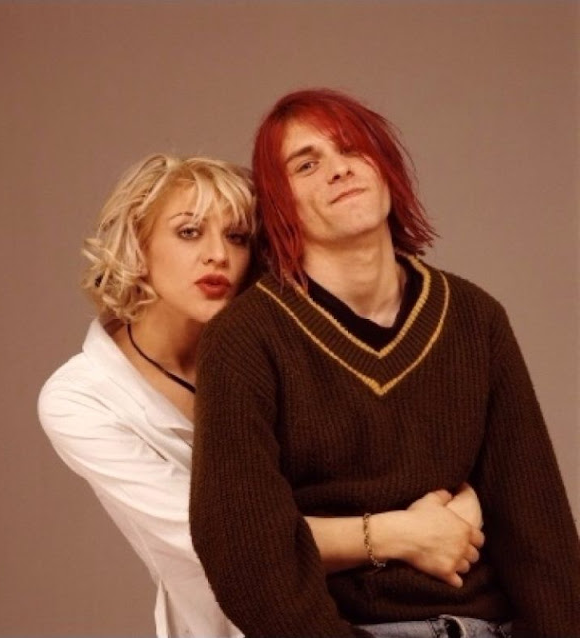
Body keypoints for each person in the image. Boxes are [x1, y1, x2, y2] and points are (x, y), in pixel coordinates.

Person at [38, 153, 487, 637]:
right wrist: (400, 533)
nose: (218, 255)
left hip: (375, 613)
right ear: (137, 247)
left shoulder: (275, 343)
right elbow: (224, 544)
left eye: (237, 237)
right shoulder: (81, 399)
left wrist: (462, 509)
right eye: (189, 232)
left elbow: (384, 457)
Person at [189, 89, 580, 638]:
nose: (339, 169)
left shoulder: (474, 317)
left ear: (386, 167)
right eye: (306, 164)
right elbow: (245, 550)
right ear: (280, 204)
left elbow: (540, 533)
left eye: (353, 149)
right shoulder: (244, 339)